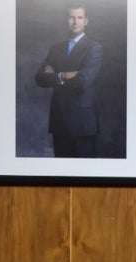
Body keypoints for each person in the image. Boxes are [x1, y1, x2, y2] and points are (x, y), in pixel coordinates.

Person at [34, 5, 102, 158]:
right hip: (59, 121)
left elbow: (82, 81)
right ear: (66, 20)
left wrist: (55, 77)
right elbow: (40, 78)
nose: (75, 21)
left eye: (79, 17)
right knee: (61, 174)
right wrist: (63, 75)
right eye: (72, 17)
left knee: (85, 174)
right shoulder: (56, 48)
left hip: (83, 124)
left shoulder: (94, 48)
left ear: (86, 21)